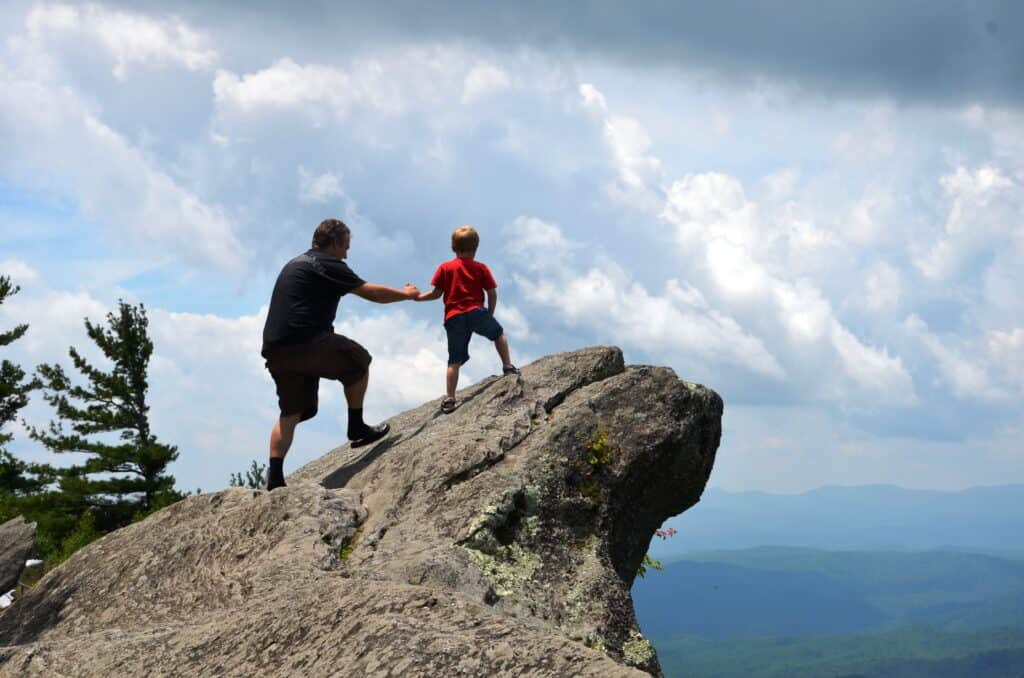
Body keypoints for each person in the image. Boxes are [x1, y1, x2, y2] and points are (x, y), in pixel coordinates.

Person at [261, 218, 419, 490]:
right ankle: (356, 427)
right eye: (345, 246)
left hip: (277, 350)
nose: (346, 253)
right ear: (333, 243)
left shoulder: (295, 263)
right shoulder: (326, 263)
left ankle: (274, 479)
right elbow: (371, 293)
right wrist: (406, 294)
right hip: (305, 341)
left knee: (292, 411)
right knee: (359, 361)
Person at [416, 225, 518, 413]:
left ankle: (450, 398)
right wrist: (490, 313)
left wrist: (417, 297)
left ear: (453, 247)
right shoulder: (480, 268)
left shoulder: (445, 268)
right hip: (476, 312)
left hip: (454, 317)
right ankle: (507, 366)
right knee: (498, 334)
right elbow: (492, 293)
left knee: (453, 360)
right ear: (476, 247)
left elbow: (435, 294)